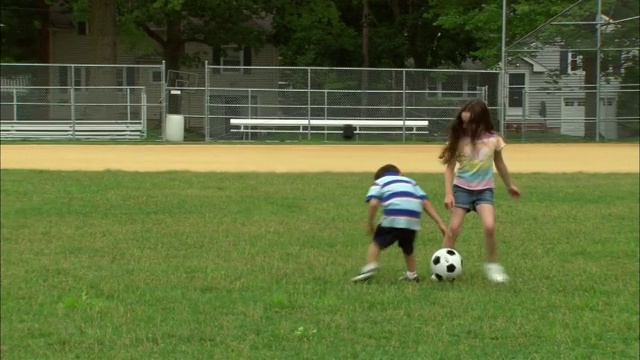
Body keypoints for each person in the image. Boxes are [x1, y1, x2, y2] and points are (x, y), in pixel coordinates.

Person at [437, 99, 520, 283]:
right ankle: (442, 268)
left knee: (489, 227)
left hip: (484, 191)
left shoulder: (494, 140)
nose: (465, 125)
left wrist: (509, 185)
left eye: (470, 122)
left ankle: (493, 266)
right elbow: (450, 168)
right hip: (462, 190)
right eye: (463, 121)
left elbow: (499, 163)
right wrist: (449, 193)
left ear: (481, 120)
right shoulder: (459, 139)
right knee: (453, 229)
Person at [351, 164, 448, 283]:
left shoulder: (380, 182)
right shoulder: (411, 182)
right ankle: (412, 274)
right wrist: (440, 223)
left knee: (376, 243)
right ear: (400, 174)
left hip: (393, 215)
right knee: (408, 247)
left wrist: (370, 223)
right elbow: (425, 202)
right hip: (413, 218)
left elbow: (373, 204)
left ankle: (370, 266)